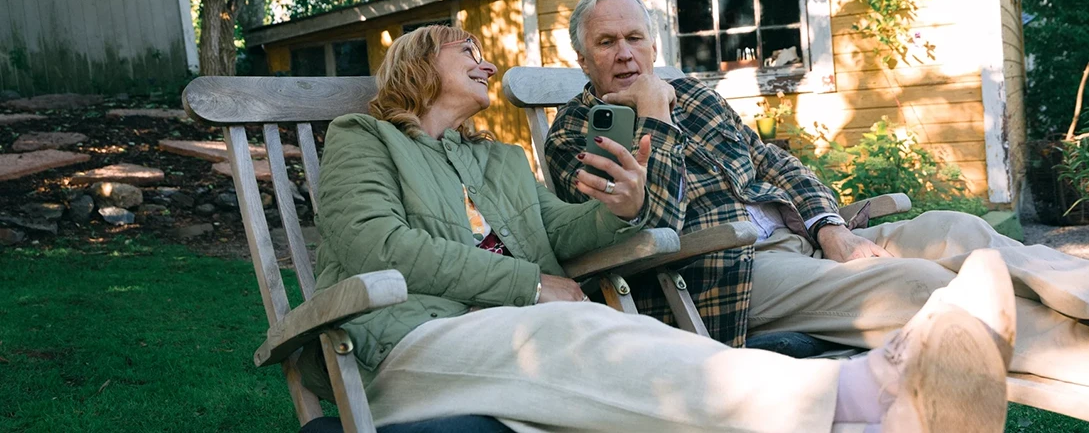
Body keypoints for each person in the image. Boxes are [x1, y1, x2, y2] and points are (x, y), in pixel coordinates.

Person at [302, 24, 1017, 432]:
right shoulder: (364, 138)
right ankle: (858, 395)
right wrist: (530, 284)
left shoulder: (497, 159)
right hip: (406, 345)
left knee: (636, 334)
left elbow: (561, 232)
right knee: (577, 327)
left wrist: (622, 206)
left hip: (508, 331)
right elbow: (379, 247)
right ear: (418, 65)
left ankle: (866, 407)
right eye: (467, 51)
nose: (487, 61)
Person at [545, 0, 1089, 406]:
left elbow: (773, 160)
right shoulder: (575, 135)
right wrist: (654, 116)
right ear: (583, 58)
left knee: (959, 231)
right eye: (607, 43)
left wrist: (830, 226)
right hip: (725, 273)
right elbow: (649, 225)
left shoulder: (693, 93)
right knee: (919, 285)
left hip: (804, 241)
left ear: (651, 42)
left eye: (635, 38)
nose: (626, 54)